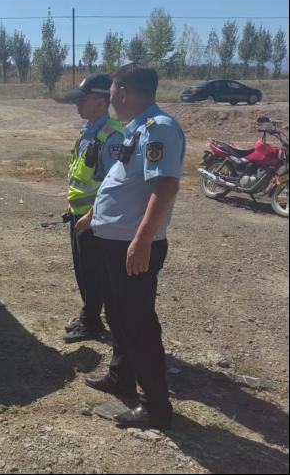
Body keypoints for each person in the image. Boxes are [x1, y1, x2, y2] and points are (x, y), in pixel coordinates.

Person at [84, 64, 186, 430]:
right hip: (117, 242)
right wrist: (94, 215)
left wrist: (142, 240)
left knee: (138, 323)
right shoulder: (137, 129)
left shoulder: (160, 129)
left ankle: (156, 406)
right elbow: (126, 182)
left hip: (134, 245)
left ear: (124, 92)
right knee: (118, 314)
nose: (110, 98)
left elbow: (166, 186)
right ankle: (121, 376)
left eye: (112, 91)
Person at [60, 73, 124, 343]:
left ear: (100, 102)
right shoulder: (89, 131)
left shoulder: (112, 137)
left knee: (94, 273)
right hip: (79, 215)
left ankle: (91, 322)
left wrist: (91, 215)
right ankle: (90, 316)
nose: (77, 105)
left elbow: (115, 186)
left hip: (94, 220)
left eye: (82, 100)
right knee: (83, 271)